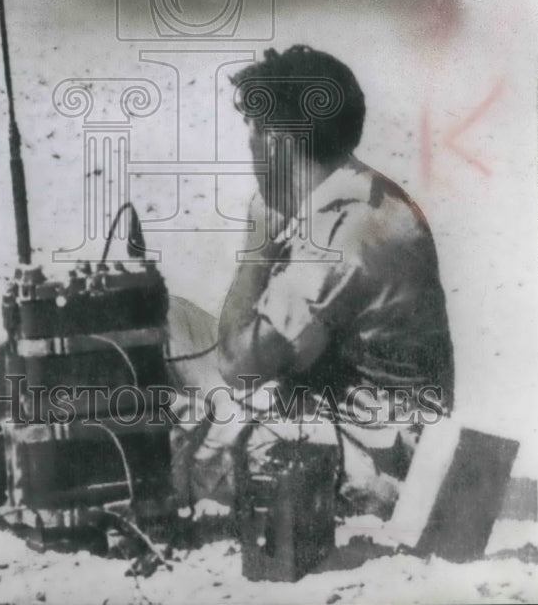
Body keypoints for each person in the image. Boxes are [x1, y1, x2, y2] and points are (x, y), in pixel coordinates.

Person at [167, 44, 455, 518]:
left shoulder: (342, 230)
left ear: (278, 138)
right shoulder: (365, 195)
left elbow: (240, 364)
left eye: (254, 129)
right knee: (158, 315)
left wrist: (257, 245)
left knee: (157, 431)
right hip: (353, 413)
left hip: (367, 451)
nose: (250, 143)